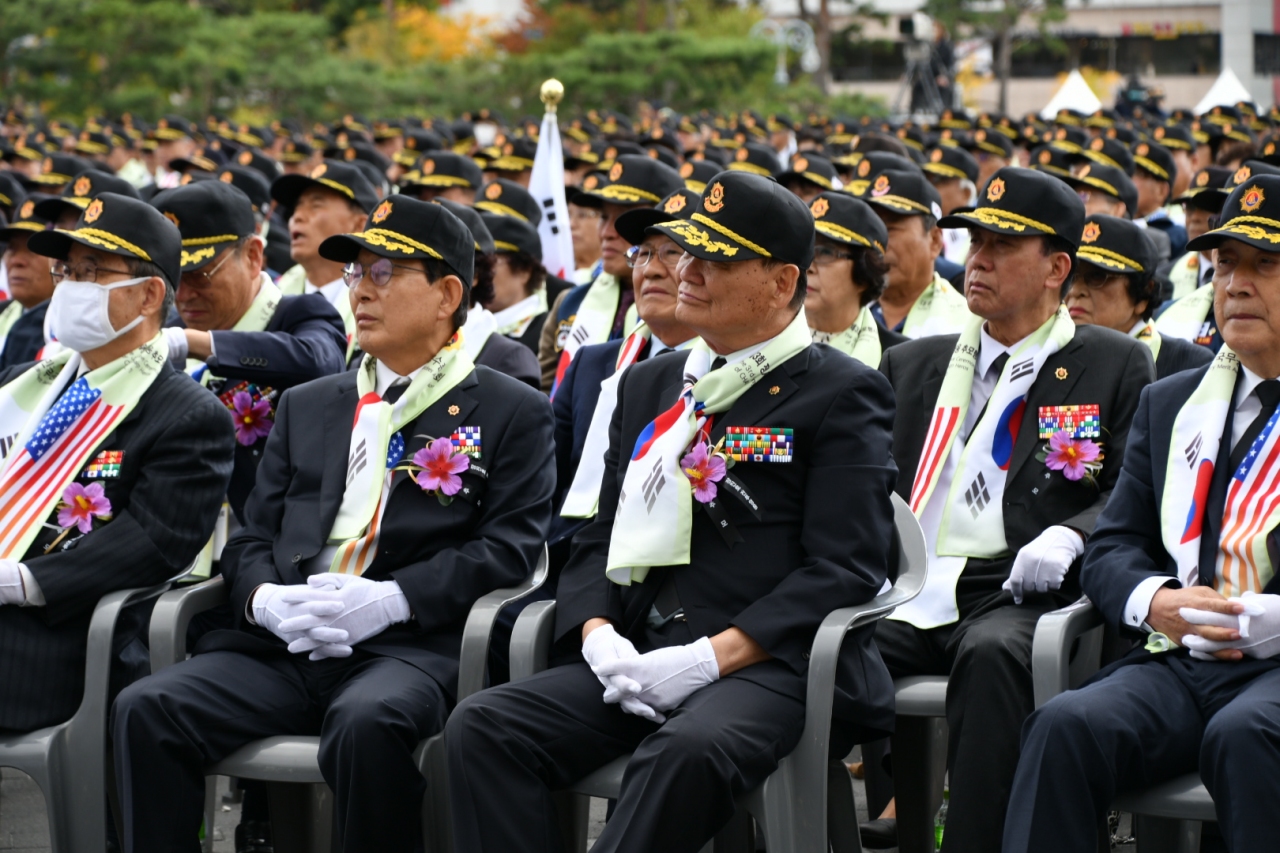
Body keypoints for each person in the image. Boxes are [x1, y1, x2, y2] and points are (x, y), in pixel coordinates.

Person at [446, 170, 898, 853]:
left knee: (683, 751)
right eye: (687, 253)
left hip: (772, 662)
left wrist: (708, 659)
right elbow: (600, 532)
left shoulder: (842, 390)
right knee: (483, 728)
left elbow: (846, 566)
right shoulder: (651, 382)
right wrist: (597, 633)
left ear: (782, 283)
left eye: (715, 260)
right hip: (639, 647)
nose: (686, 271)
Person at [111, 196, 555, 853]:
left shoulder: (510, 406)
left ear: (446, 295)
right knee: (147, 708)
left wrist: (393, 598)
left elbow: (509, 548)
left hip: (410, 647)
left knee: (366, 723)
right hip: (287, 642)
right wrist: (265, 599)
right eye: (355, 273)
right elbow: (254, 536)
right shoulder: (311, 403)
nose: (361, 291)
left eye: (384, 273)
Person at [872, 168, 1154, 852]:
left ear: (1057, 268)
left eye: (1003, 245)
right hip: (911, 584)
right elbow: (872, 482)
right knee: (815, 648)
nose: (979, 260)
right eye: (975, 243)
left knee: (996, 653)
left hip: (1019, 587)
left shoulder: (1111, 363)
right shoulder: (916, 364)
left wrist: (1072, 533)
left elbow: (1129, 489)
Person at [1004, 173, 1280, 853]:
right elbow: (1113, 546)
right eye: (1225, 265)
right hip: (1182, 657)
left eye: (1265, 265)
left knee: (1245, 735)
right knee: (1064, 727)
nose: (1236, 286)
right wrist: (1155, 601)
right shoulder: (1174, 402)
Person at [0, 192, 233, 732]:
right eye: (66, 270)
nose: (69, 286)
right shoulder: (23, 385)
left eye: (91, 272)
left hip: (54, 640)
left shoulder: (187, 415)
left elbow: (151, 544)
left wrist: (19, 581)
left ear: (149, 294)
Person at [150, 180, 348, 524]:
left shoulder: (299, 314)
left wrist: (201, 344)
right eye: (173, 279)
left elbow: (320, 362)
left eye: (199, 275)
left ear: (254, 256)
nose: (183, 294)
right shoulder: (166, 331)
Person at [553, 188, 701, 540]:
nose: (651, 270)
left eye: (672, 253)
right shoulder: (593, 363)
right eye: (644, 253)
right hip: (568, 547)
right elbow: (546, 477)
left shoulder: (726, 371)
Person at [540, 156, 683, 394]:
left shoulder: (684, 310)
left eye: (623, 219)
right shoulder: (570, 302)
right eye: (604, 217)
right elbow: (544, 396)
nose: (607, 232)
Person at [1067, 214, 1211, 379]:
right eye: (1071, 276)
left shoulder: (1190, 365)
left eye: (1097, 277)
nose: (1075, 291)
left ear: (1143, 294)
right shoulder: (1050, 355)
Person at [270, 161, 378, 358]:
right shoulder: (273, 292)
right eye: (296, 207)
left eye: (315, 206)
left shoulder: (381, 304)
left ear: (359, 226)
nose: (297, 217)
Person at [863, 169, 972, 337]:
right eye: (871, 231)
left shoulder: (965, 326)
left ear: (934, 241)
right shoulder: (837, 311)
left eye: (890, 230)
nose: (876, 244)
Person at [805, 191, 905, 366]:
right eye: (804, 250)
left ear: (864, 273)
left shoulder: (900, 359)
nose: (807, 266)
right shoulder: (762, 337)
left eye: (826, 252)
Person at [480, 212, 552, 356]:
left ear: (524, 271)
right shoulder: (467, 327)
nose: (479, 273)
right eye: (478, 263)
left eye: (491, 263)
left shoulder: (547, 334)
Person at [0, 198, 56, 370]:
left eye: (33, 249)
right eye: (12, 248)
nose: (17, 261)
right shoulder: (3, 312)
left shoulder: (70, 330)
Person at [922, 145, 979, 267]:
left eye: (938, 180)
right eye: (926, 179)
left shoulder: (978, 235)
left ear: (966, 193)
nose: (928, 187)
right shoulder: (920, 229)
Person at [1131, 141, 1186, 259]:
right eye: (1128, 172)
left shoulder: (1176, 235)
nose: (1129, 179)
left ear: (1161, 190)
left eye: (1139, 174)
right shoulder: (1114, 223)